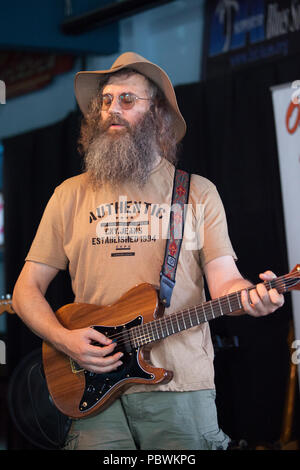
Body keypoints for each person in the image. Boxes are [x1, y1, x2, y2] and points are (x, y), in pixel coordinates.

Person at [12, 52, 284, 451]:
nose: (112, 110)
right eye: (106, 100)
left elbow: (225, 281)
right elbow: (25, 291)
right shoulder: (68, 195)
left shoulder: (195, 192)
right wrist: (64, 340)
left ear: (157, 113)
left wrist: (251, 299)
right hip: (91, 394)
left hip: (179, 387)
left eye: (127, 100)